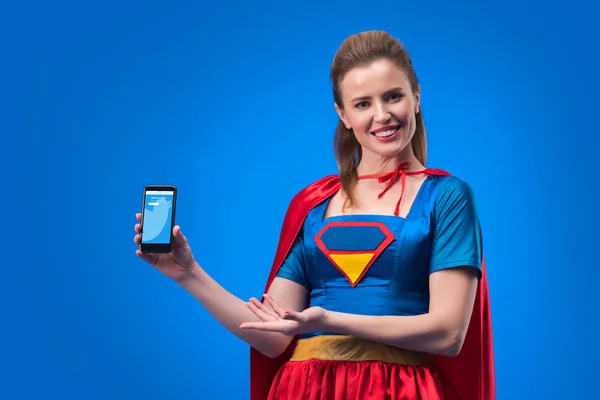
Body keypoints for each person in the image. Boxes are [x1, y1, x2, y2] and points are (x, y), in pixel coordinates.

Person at [133, 30, 495, 400]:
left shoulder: (446, 197)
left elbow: (448, 334)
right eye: (362, 104)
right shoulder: (315, 204)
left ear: (416, 97)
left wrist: (328, 320)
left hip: (397, 391)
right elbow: (273, 337)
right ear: (343, 114)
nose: (382, 115)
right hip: (305, 389)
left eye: (393, 96)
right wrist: (188, 273)